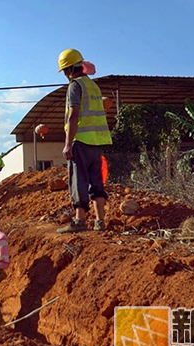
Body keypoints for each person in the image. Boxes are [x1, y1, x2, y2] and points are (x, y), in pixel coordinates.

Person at [56, 48, 113, 233]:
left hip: (80, 140)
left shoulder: (75, 86)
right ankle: (100, 221)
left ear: (69, 69)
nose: (65, 75)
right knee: (96, 180)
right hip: (96, 141)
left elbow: (73, 115)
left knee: (78, 180)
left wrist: (67, 144)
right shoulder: (93, 86)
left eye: (64, 71)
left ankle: (79, 221)